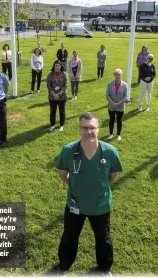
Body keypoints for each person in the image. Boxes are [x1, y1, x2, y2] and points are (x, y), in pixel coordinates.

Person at [51, 112, 123, 275]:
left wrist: (98, 188)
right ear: (79, 129)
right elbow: (63, 173)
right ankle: (63, 266)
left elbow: (113, 176)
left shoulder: (110, 152)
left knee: (103, 238)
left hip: (100, 205)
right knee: (69, 237)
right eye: (84, 127)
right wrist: (76, 186)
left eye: (92, 128)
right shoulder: (68, 150)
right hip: (75, 203)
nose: (88, 131)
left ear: (99, 129)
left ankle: (104, 269)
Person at [106, 69, 128, 141]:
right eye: (116, 74)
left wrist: (118, 103)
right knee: (111, 120)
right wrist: (112, 103)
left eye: (119, 74)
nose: (117, 76)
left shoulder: (125, 85)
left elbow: (125, 96)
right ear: (114, 75)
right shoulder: (110, 84)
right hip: (111, 106)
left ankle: (118, 134)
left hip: (120, 106)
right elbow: (107, 95)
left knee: (119, 120)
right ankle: (111, 134)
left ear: (121, 75)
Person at [47, 60, 68, 132]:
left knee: (62, 111)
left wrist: (60, 93)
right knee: (53, 111)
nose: (57, 67)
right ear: (54, 66)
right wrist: (53, 93)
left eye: (59, 66)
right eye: (56, 66)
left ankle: (61, 125)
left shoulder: (64, 74)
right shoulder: (50, 75)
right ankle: (52, 125)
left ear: (61, 66)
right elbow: (49, 85)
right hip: (52, 97)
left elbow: (66, 85)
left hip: (62, 97)